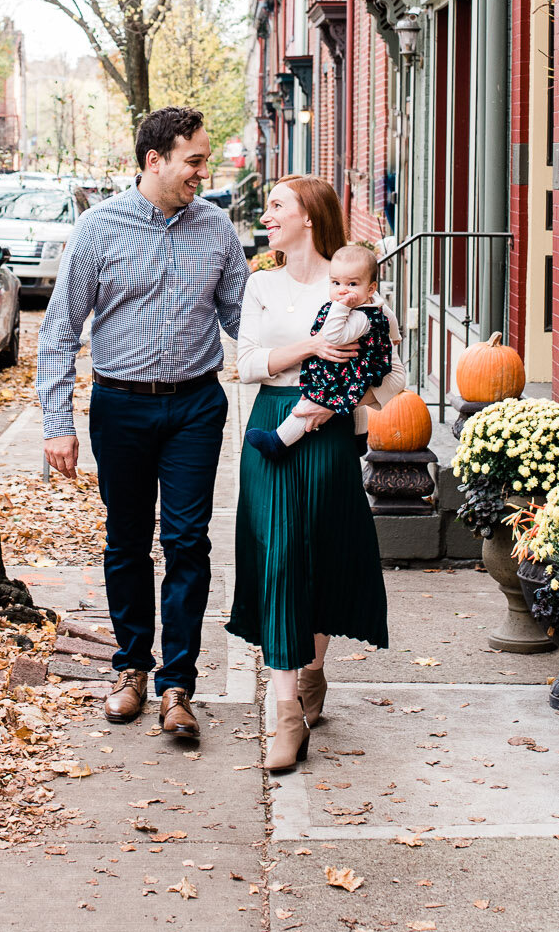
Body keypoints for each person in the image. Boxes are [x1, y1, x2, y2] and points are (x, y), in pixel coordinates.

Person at [38, 105, 250, 744]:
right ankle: (130, 668)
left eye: (204, 160)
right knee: (127, 539)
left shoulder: (216, 229)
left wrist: (319, 339)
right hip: (121, 405)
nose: (203, 172)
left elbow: (245, 320)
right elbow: (59, 332)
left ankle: (178, 686)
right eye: (194, 160)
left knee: (189, 542)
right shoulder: (98, 231)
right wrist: (57, 421)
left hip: (195, 405)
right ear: (154, 160)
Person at [227, 176, 391, 774]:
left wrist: (347, 388)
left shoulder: (352, 283)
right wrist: (311, 347)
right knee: (279, 558)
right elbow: (244, 365)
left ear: (310, 219)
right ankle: (285, 714)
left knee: (316, 557)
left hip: (328, 433)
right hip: (271, 423)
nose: (267, 216)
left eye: (277, 206)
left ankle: (313, 666)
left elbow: (384, 373)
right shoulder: (260, 284)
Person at [243, 242, 390, 460]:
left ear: (370, 288)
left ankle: (277, 441)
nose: (343, 290)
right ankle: (360, 437)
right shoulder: (372, 305)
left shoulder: (358, 315)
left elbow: (332, 336)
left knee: (311, 403)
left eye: (352, 284)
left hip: (345, 371)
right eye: (336, 283)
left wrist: (339, 308)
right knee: (355, 401)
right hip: (355, 370)